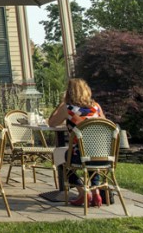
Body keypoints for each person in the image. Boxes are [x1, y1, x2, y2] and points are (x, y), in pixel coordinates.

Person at [48, 78, 106, 208]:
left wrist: (61, 104)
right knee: (91, 156)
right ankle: (95, 190)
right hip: (102, 152)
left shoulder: (67, 108)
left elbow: (51, 123)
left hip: (79, 154)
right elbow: (104, 125)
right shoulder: (96, 107)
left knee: (58, 155)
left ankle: (82, 192)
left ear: (69, 92)